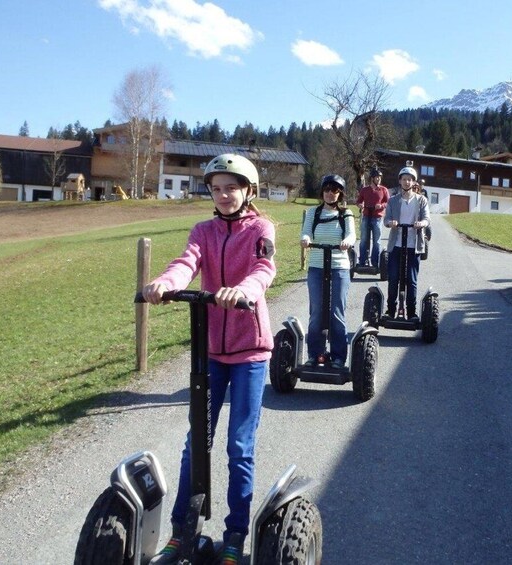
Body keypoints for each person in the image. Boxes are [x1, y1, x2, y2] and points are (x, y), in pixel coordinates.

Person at [142, 153, 276, 564]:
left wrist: (246, 291)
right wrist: (166, 283)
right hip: (211, 352)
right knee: (195, 443)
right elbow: (188, 262)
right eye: (216, 188)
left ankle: (234, 535)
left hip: (250, 350)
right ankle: (182, 531)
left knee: (239, 445)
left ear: (248, 191)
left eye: (231, 188)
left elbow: (264, 266)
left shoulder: (261, 228)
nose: (223, 195)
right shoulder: (202, 229)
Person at [300, 174, 356, 368]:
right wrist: (306, 239)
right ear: (322, 192)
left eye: (334, 190)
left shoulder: (346, 214)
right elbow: (306, 232)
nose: (330, 194)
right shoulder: (312, 213)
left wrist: (347, 242)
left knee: (336, 313)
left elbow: (351, 234)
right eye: (327, 190)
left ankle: (339, 357)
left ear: (340, 194)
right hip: (316, 266)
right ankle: (315, 354)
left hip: (339, 267)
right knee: (316, 312)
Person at [383, 165, 430, 320]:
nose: (407, 182)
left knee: (411, 280)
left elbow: (426, 218)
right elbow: (386, 220)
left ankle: (411, 312)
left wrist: (421, 223)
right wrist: (391, 223)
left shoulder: (421, 200)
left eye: (409, 180)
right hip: (396, 244)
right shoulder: (393, 200)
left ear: (413, 182)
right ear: (400, 181)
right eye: (404, 179)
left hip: (413, 245)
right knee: (393, 278)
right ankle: (390, 310)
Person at [356, 168, 389, 267]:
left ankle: (375, 263)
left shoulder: (383, 190)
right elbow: (358, 201)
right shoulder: (365, 189)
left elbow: (388, 202)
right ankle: (362, 261)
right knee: (363, 240)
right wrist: (360, 205)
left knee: (376, 241)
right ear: (372, 178)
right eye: (376, 178)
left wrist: (381, 206)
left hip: (377, 218)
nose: (378, 179)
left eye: (379, 178)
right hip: (366, 216)